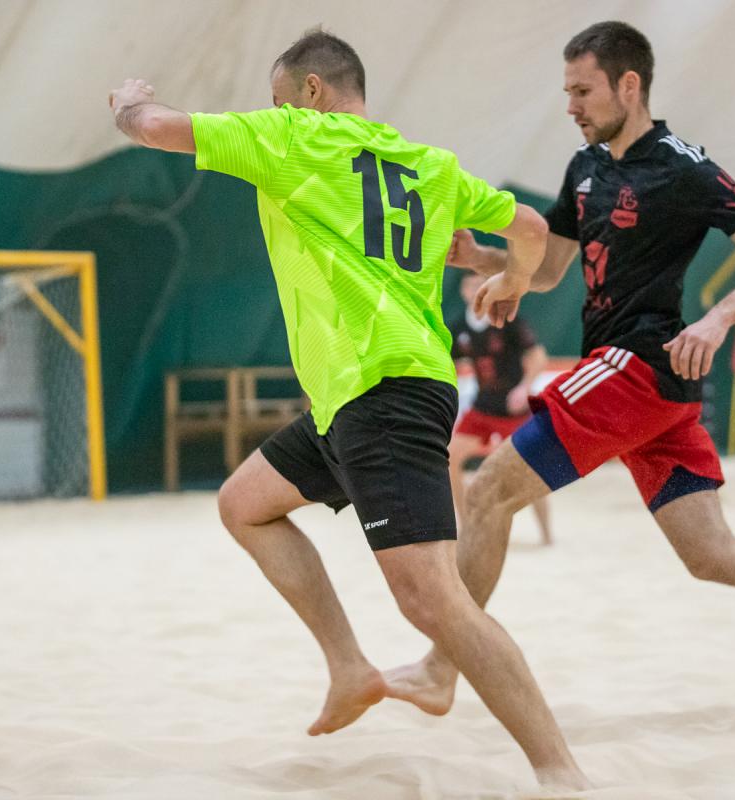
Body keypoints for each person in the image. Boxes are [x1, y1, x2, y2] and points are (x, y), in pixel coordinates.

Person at [385, 20, 735, 722]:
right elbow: (553, 270)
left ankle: (441, 667)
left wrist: (717, 320)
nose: (570, 105)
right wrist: (485, 260)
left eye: (583, 91)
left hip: (635, 366)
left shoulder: (683, 168)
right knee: (714, 555)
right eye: (567, 91)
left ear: (629, 85)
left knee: (486, 494)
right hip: (651, 390)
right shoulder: (585, 167)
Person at [108, 28, 588, 790]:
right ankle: (349, 668)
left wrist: (128, 104)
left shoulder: (293, 137)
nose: (272, 111)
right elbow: (530, 229)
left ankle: (560, 770)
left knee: (431, 600)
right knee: (244, 505)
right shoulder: (429, 164)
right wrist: (514, 282)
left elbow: (158, 127)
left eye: (278, 98)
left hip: (383, 390)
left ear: (310, 92)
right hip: (361, 395)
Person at [447, 269, 552, 544]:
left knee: (533, 471)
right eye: (469, 286)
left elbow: (538, 355)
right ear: (463, 291)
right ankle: (467, 527)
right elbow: (446, 363)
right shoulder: (459, 327)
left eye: (479, 285)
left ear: (488, 289)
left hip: (514, 411)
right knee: (450, 458)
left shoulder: (507, 320)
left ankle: (546, 535)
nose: (475, 291)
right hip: (483, 409)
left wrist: (524, 387)